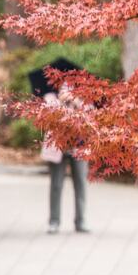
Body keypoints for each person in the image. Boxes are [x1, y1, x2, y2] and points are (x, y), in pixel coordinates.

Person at [42, 86, 90, 234]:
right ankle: (54, 221)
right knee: (56, 185)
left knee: (81, 183)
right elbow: (45, 116)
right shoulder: (50, 97)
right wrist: (60, 103)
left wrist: (76, 101)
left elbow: (91, 115)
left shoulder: (85, 97)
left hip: (79, 147)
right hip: (58, 147)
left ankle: (80, 220)